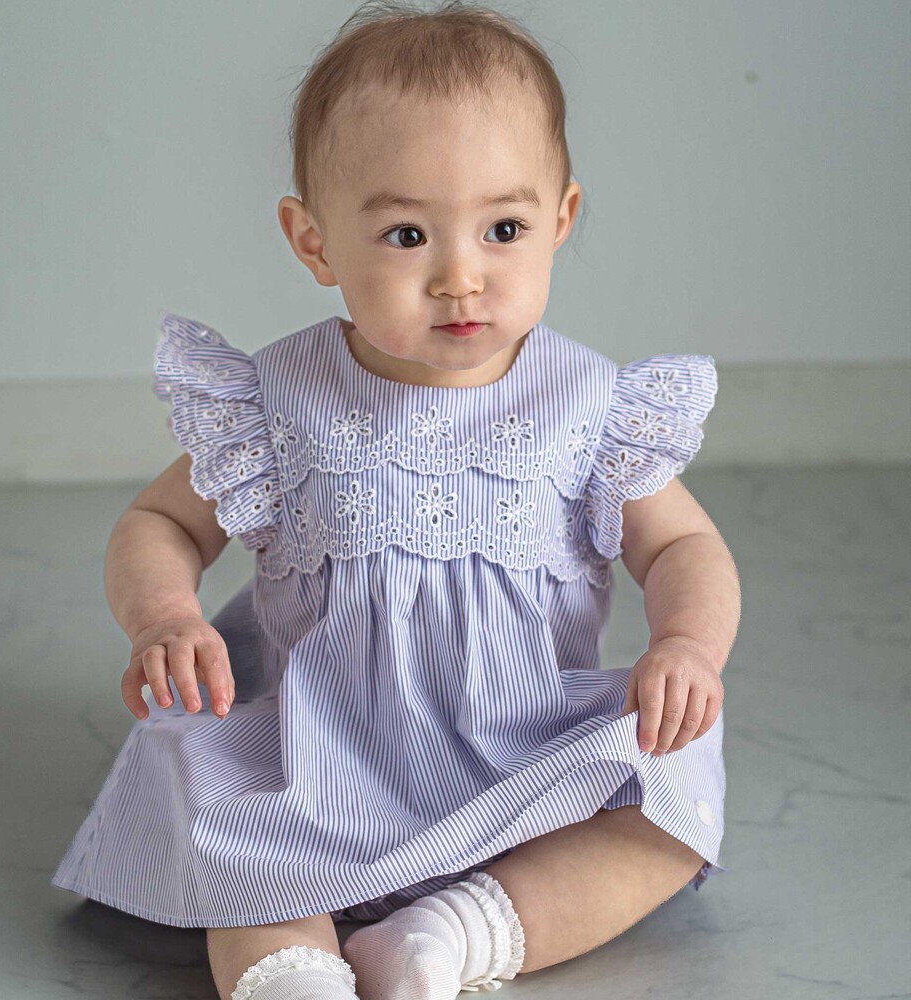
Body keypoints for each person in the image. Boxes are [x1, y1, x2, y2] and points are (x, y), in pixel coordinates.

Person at [50, 2, 741, 998]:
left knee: (669, 796)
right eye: (407, 234)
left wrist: (685, 645)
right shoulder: (279, 398)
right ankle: (292, 974)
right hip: (311, 755)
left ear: (561, 220)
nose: (460, 277)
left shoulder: (589, 406)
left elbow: (681, 546)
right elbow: (160, 522)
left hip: (522, 753)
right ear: (316, 241)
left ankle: (455, 933)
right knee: (225, 821)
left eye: (503, 229)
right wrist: (164, 615)